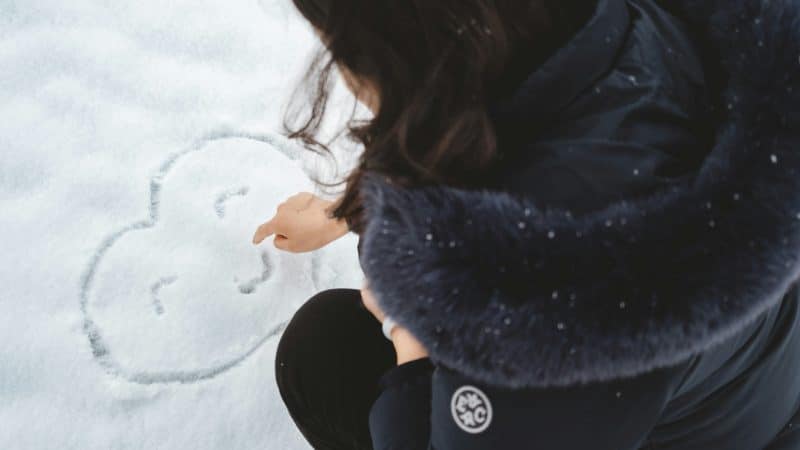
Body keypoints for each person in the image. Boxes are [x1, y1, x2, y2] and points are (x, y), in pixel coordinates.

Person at [252, 0, 800, 448]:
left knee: (322, 356)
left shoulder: (537, 310)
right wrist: (350, 210)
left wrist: (410, 339)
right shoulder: (629, 25)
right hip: (756, 375)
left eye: (339, 47)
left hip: (702, 427)